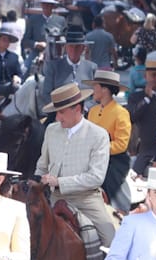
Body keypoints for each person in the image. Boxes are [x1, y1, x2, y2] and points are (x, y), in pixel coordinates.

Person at [37, 82, 118, 250]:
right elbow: (42, 166)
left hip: (87, 200)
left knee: (112, 241)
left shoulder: (99, 135)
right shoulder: (51, 130)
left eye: (61, 112)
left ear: (77, 108)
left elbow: (96, 177)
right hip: (55, 198)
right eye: (57, 112)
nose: (58, 118)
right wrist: (38, 182)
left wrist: (59, 182)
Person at [87, 70, 132, 203]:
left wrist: (99, 150)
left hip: (113, 161)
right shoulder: (92, 111)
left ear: (105, 89)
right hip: (91, 158)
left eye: (95, 86)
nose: (93, 90)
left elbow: (121, 144)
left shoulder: (121, 113)